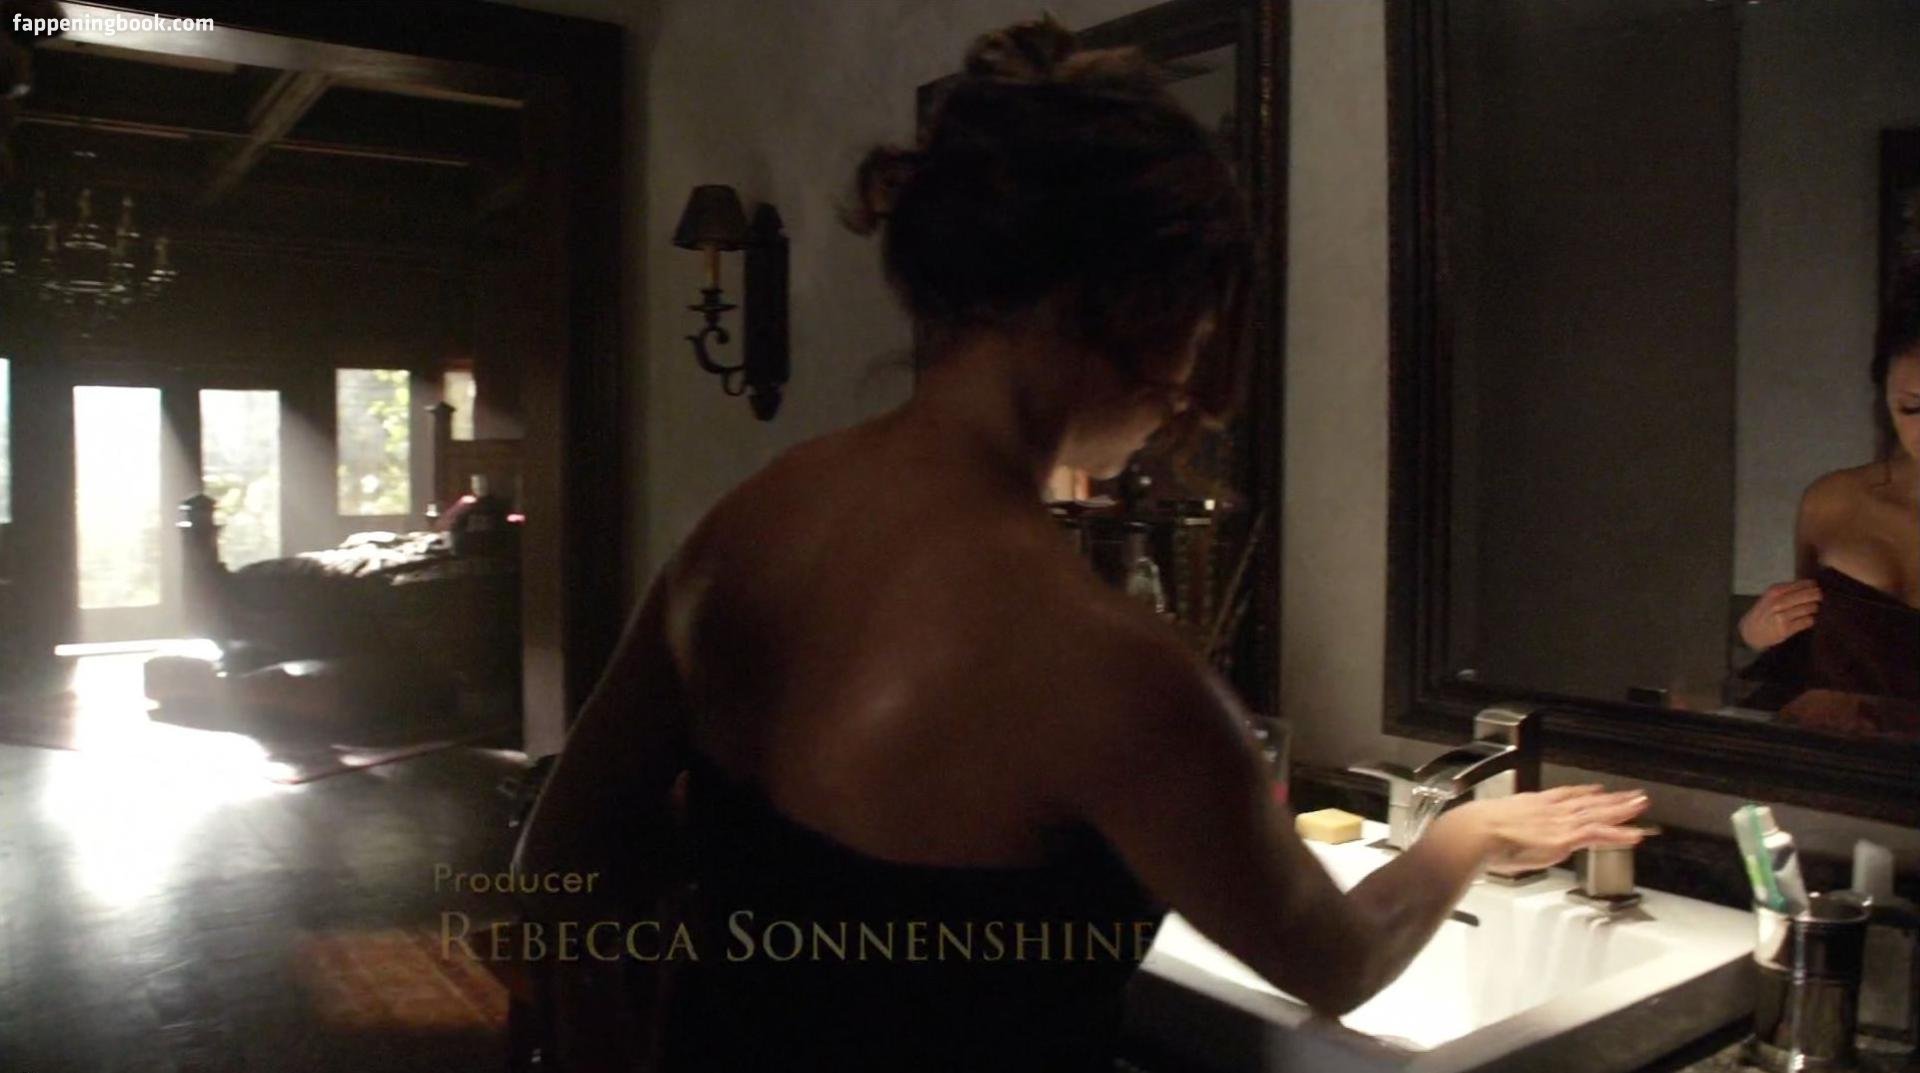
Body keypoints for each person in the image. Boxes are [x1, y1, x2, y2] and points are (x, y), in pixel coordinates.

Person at [511, 16, 1648, 1072]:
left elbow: (553, 870)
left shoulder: (747, 522)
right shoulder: (1110, 668)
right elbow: (1337, 959)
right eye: (1202, 323)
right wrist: (1462, 834)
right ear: (1142, 302)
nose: (1191, 382)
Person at [1737, 260, 1920, 727]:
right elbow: (1800, 650)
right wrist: (1756, 634)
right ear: (1886, 398)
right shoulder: (1834, 501)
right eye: (1912, 408)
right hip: (1830, 757)